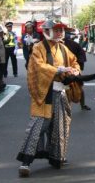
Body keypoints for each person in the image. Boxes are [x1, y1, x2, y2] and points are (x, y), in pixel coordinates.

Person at [16, 19, 81, 177]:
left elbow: (75, 63)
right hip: (45, 92)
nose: (60, 33)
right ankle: (26, 161)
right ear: (47, 31)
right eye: (57, 30)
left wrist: (74, 72)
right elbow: (37, 66)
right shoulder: (38, 47)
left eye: (61, 30)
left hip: (61, 92)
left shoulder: (64, 48)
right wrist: (57, 70)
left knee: (61, 126)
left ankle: (57, 156)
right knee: (38, 125)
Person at [63, 27, 90, 111]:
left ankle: (83, 105)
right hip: (58, 71)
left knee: (79, 88)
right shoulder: (51, 45)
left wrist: (78, 67)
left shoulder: (72, 44)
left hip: (73, 69)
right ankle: (64, 110)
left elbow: (81, 54)